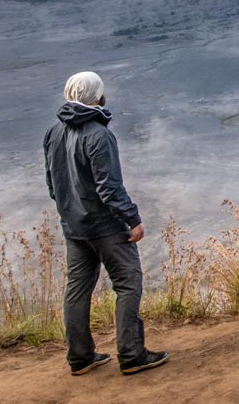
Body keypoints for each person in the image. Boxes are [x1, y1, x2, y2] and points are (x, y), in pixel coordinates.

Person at [44, 71, 169, 376]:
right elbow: (109, 187)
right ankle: (132, 354)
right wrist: (132, 218)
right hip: (105, 226)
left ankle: (80, 358)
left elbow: (52, 184)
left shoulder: (53, 133)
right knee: (128, 283)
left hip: (73, 227)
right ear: (96, 97)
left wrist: (69, 212)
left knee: (76, 290)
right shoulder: (99, 134)